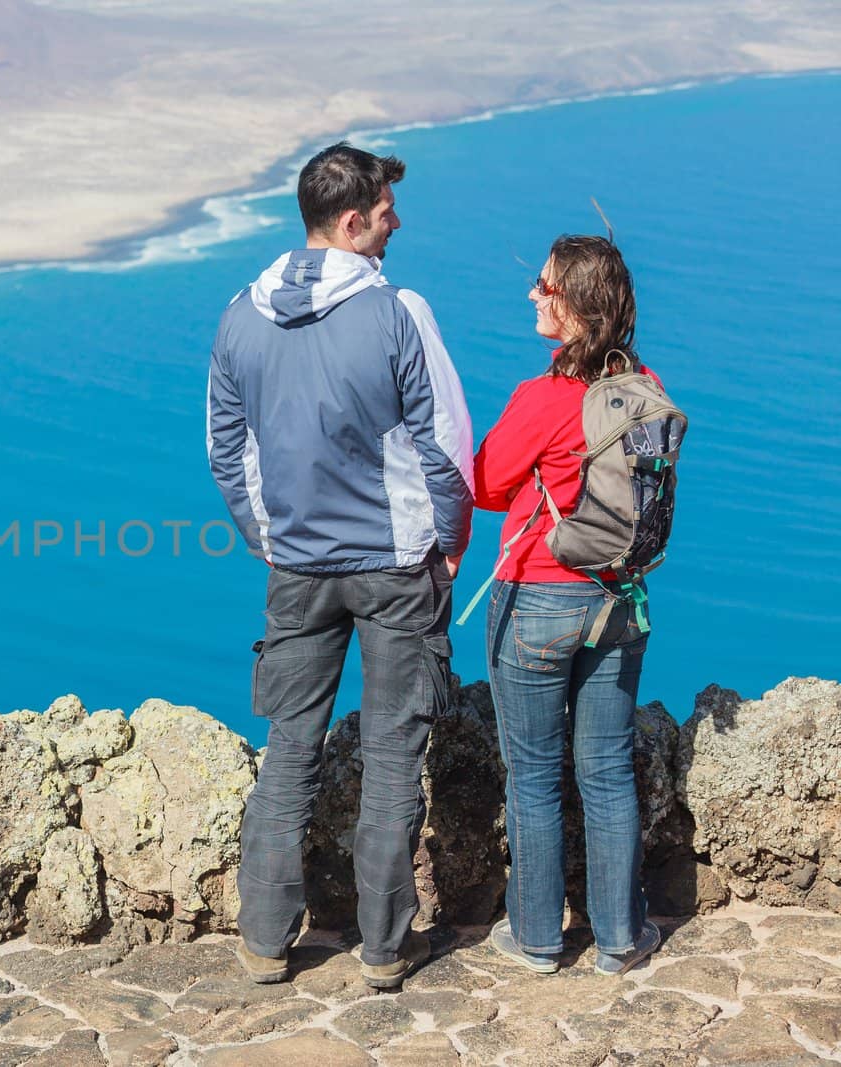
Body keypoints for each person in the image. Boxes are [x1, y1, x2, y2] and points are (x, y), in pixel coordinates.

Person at [207, 141, 474, 987]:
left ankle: (263, 937)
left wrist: (270, 537)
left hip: (298, 567)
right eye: (388, 212)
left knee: (290, 742)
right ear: (354, 222)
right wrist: (451, 541)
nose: (399, 223)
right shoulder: (401, 312)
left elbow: (227, 447)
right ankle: (386, 946)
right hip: (396, 567)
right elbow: (448, 449)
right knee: (394, 749)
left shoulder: (239, 316)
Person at [473, 234, 662, 976]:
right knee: (609, 771)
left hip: (539, 598)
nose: (532, 295)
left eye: (545, 286)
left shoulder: (544, 397)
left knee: (533, 774)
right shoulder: (644, 384)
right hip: (620, 602)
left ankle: (537, 938)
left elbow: (487, 485)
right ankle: (621, 938)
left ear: (577, 309)